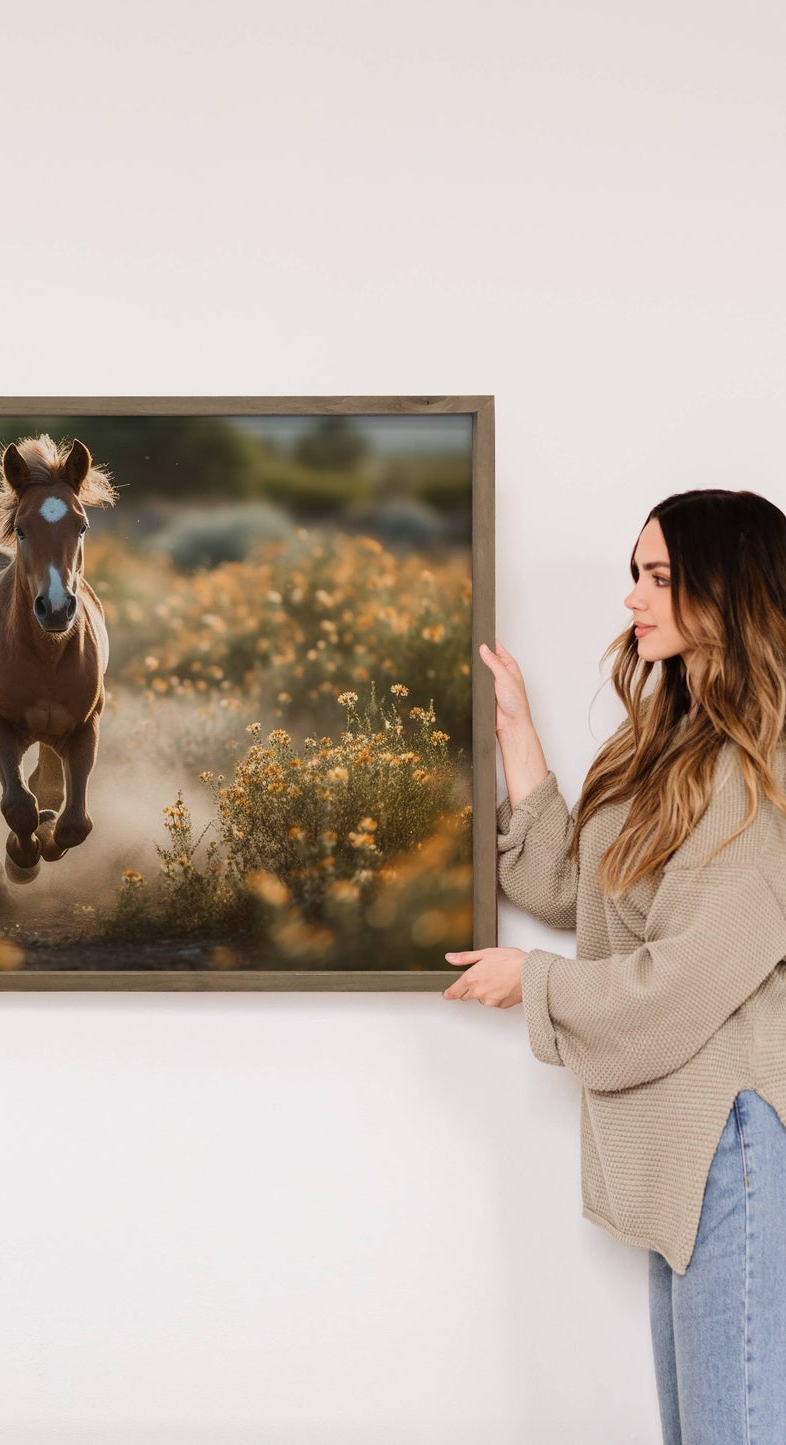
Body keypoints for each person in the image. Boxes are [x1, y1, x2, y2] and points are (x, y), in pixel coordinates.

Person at [441, 489, 786, 1441]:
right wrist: (515, 731)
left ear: (729, 591)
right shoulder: (667, 743)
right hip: (685, 1149)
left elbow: (685, 979)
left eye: (661, 577)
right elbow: (573, 886)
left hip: (735, 1145)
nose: (634, 599)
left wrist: (532, 984)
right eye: (634, 575)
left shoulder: (763, 768)